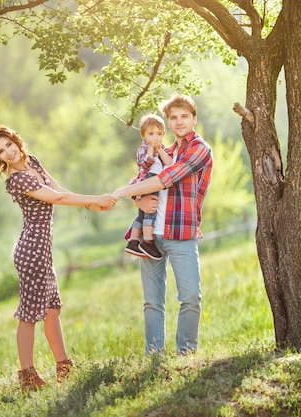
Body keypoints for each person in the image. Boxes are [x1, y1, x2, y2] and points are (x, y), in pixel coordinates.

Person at [0, 125, 117, 393]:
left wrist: (95, 205)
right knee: (29, 314)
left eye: (9, 144)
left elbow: (60, 189)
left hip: (42, 250)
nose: (8, 152)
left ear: (17, 140)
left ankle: (64, 367)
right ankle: (27, 377)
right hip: (31, 252)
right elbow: (58, 198)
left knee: (52, 310)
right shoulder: (16, 179)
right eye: (1, 151)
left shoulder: (33, 162)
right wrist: (96, 199)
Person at [112, 94, 213, 356]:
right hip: (151, 237)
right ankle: (154, 355)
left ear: (194, 119)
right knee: (152, 301)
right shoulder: (163, 152)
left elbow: (166, 178)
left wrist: (120, 193)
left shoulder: (200, 149)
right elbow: (141, 179)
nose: (179, 122)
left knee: (190, 297)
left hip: (181, 234)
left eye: (184, 116)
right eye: (174, 117)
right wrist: (138, 200)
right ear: (168, 122)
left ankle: (187, 353)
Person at [124, 114, 172, 260]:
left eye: (159, 134)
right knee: (151, 210)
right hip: (149, 179)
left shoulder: (161, 148)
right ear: (143, 135)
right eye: (151, 134)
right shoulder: (143, 149)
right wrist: (152, 147)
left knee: (142, 214)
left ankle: (133, 241)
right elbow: (146, 163)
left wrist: (159, 149)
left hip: (156, 179)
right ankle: (148, 241)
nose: (155, 137)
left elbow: (169, 163)